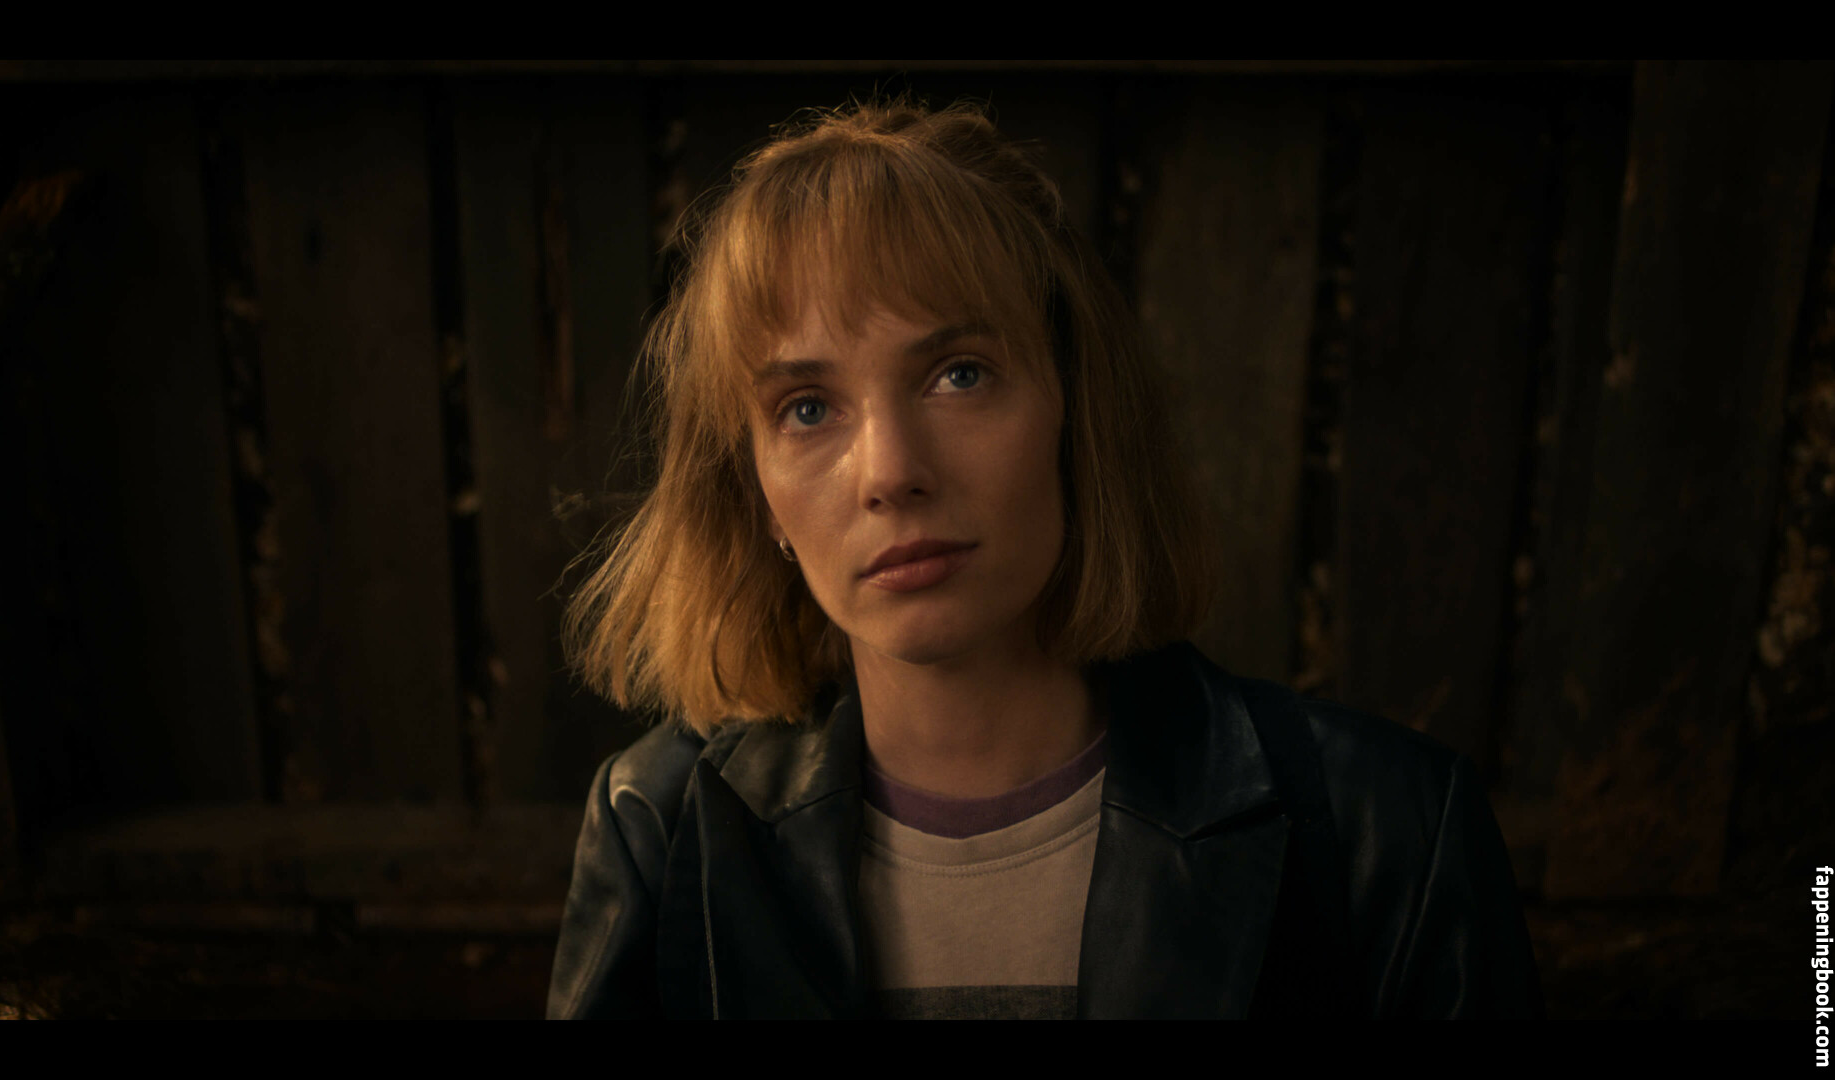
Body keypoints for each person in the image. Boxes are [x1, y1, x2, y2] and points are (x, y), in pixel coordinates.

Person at [545, 98, 1543, 1020]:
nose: (890, 472)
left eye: (959, 374)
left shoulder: (1388, 834)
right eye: (807, 409)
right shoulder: (659, 829)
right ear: (755, 491)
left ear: (1076, 411)